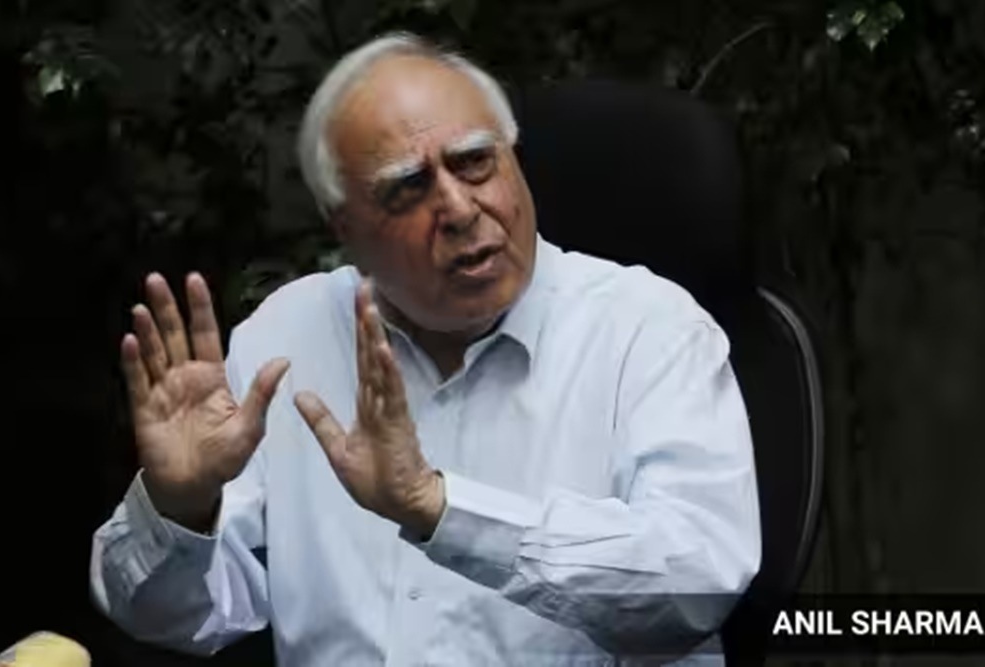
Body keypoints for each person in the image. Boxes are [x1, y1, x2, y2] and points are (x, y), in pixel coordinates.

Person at [90, 32, 761, 666]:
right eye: (408, 187)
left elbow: (698, 584)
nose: (461, 209)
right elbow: (179, 618)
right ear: (345, 228)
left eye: (475, 162)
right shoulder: (286, 338)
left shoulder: (646, 328)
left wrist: (439, 509)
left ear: (515, 161)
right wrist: (180, 508)